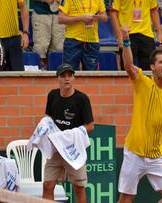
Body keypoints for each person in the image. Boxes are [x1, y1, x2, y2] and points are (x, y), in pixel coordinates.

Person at [117, 27, 162, 203]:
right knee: (126, 199)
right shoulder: (143, 82)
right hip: (134, 152)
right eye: (161, 62)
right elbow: (128, 66)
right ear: (152, 67)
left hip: (156, 155)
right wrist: (126, 41)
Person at [43, 63, 94, 203]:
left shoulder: (82, 99)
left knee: (79, 187)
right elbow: (49, 118)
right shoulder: (52, 95)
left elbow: (90, 126)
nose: (67, 79)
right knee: (47, 185)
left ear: (74, 78)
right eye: (63, 76)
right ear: (57, 78)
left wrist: (70, 136)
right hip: (55, 150)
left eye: (70, 75)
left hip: (74, 150)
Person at [110, 0, 162, 71]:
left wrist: (159, 32)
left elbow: (153, 11)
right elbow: (113, 13)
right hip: (128, 35)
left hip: (146, 34)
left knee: (150, 69)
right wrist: (119, 36)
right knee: (128, 69)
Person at [58, 0, 108, 70]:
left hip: (92, 41)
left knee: (92, 73)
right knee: (70, 71)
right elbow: (60, 19)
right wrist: (80, 18)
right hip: (73, 40)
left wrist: (97, 17)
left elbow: (105, 17)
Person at [32, 0, 65, 68]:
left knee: (59, 48)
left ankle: (56, 72)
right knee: (41, 47)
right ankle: (38, 74)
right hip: (41, 12)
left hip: (61, 13)